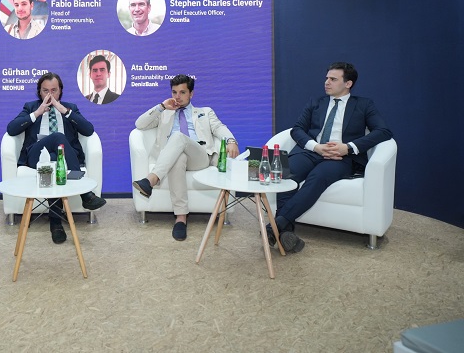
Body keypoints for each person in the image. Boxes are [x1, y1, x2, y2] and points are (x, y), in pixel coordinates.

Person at [268, 62, 392, 254]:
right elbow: (297, 129)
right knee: (285, 174)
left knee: (317, 177)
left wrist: (348, 148)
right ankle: (284, 231)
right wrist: (315, 146)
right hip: (312, 151)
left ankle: (275, 226)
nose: (327, 82)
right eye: (326, 78)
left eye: (333, 79)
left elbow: (383, 131)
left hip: (341, 158)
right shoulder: (316, 102)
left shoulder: (364, 104)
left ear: (348, 83)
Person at [133, 74, 239, 241]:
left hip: (200, 157)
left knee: (178, 137)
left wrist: (231, 141)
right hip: (174, 157)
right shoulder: (164, 113)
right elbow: (139, 124)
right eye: (174, 92)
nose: (177, 96)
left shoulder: (205, 112)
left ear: (191, 94)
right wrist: (162, 106)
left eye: (182, 92)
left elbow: (219, 128)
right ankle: (181, 218)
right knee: (178, 158)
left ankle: (151, 179)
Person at [7, 72, 106, 244]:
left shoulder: (70, 108)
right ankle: (85, 194)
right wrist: (36, 113)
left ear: (60, 91)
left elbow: (88, 130)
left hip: (62, 157)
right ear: (39, 92)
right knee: (58, 137)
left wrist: (64, 111)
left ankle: (56, 223)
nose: (50, 95)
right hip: (36, 156)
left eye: (54, 90)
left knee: (54, 159)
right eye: (45, 91)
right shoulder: (31, 107)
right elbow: (11, 129)